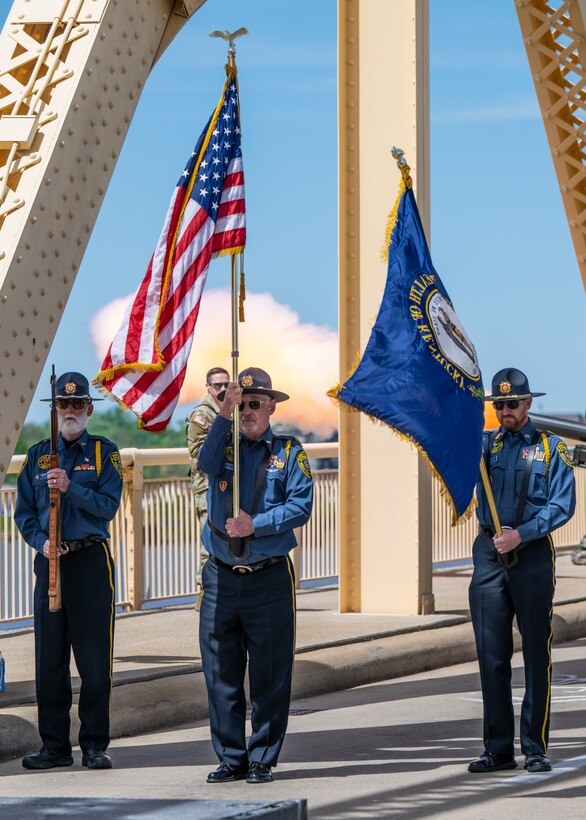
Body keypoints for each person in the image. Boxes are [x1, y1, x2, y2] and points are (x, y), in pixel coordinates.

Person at [198, 367, 314, 784]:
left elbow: (301, 506)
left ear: (271, 407)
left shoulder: (289, 451)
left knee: (269, 672)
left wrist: (257, 524)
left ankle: (262, 756)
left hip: (268, 577)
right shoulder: (222, 444)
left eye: (254, 403)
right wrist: (222, 412)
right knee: (220, 672)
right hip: (222, 578)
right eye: (241, 403)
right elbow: (205, 464)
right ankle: (231, 757)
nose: (247, 410)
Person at [468, 368, 576, 774]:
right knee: (490, 655)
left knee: (535, 651)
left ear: (529, 404)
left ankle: (534, 747)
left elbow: (561, 505)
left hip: (530, 556)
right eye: (498, 404)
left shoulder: (551, 448)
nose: (505, 410)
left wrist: (523, 534)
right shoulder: (482, 447)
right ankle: (497, 748)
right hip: (488, 554)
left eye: (512, 404)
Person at [15, 372, 123, 771]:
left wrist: (69, 488)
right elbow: (24, 513)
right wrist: (41, 541)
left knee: (94, 661)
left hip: (89, 563)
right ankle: (54, 747)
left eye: (78, 404)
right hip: (51, 563)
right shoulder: (37, 455)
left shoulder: (103, 453)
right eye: (64, 404)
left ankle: (94, 744)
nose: (71, 410)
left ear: (89, 409)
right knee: (50, 661)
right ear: (55, 410)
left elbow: (108, 506)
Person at [186, 367, 230, 598]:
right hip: (207, 488)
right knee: (209, 542)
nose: (222, 389)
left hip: (226, 488)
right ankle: (205, 593)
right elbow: (199, 456)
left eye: (226, 385)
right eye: (217, 385)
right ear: (208, 388)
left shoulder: (230, 411)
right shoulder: (203, 416)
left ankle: (222, 591)